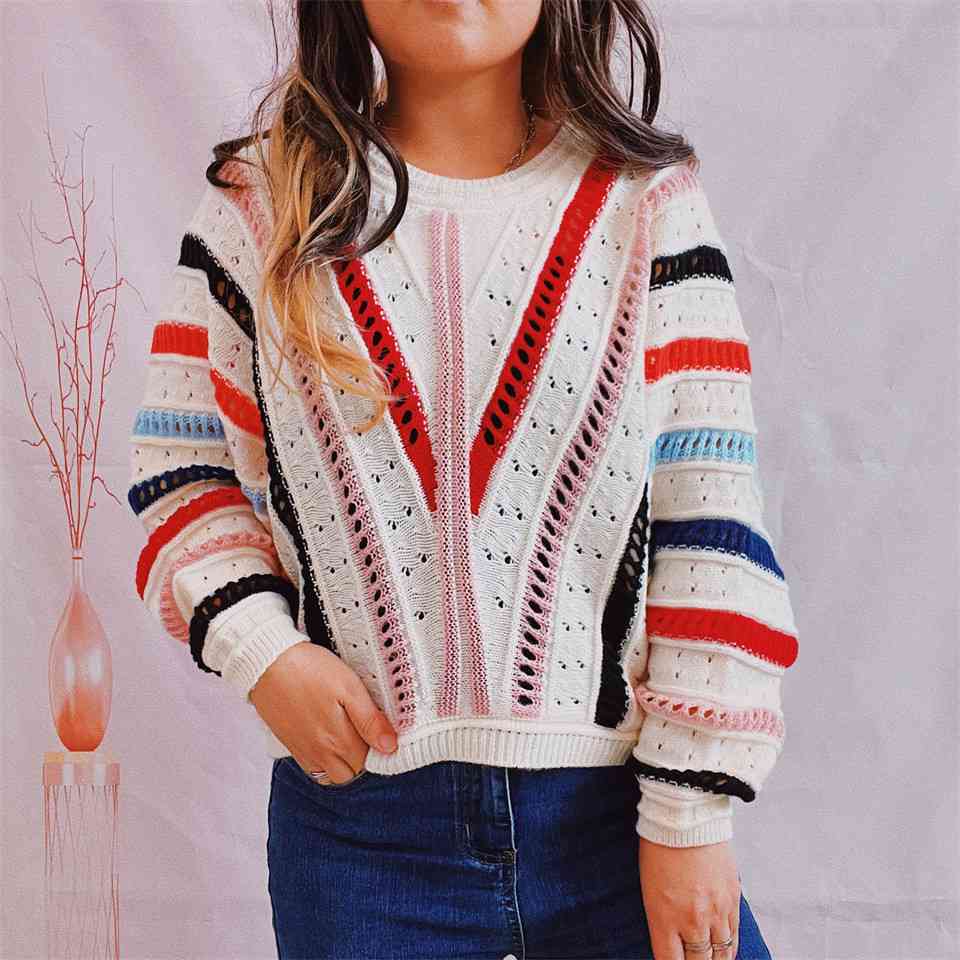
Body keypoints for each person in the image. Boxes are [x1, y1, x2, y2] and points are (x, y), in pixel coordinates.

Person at [127, 1, 799, 957]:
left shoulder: (647, 205)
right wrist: (261, 650)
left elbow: (711, 519)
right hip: (362, 839)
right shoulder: (264, 205)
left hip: (621, 822)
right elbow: (181, 468)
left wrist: (689, 812)